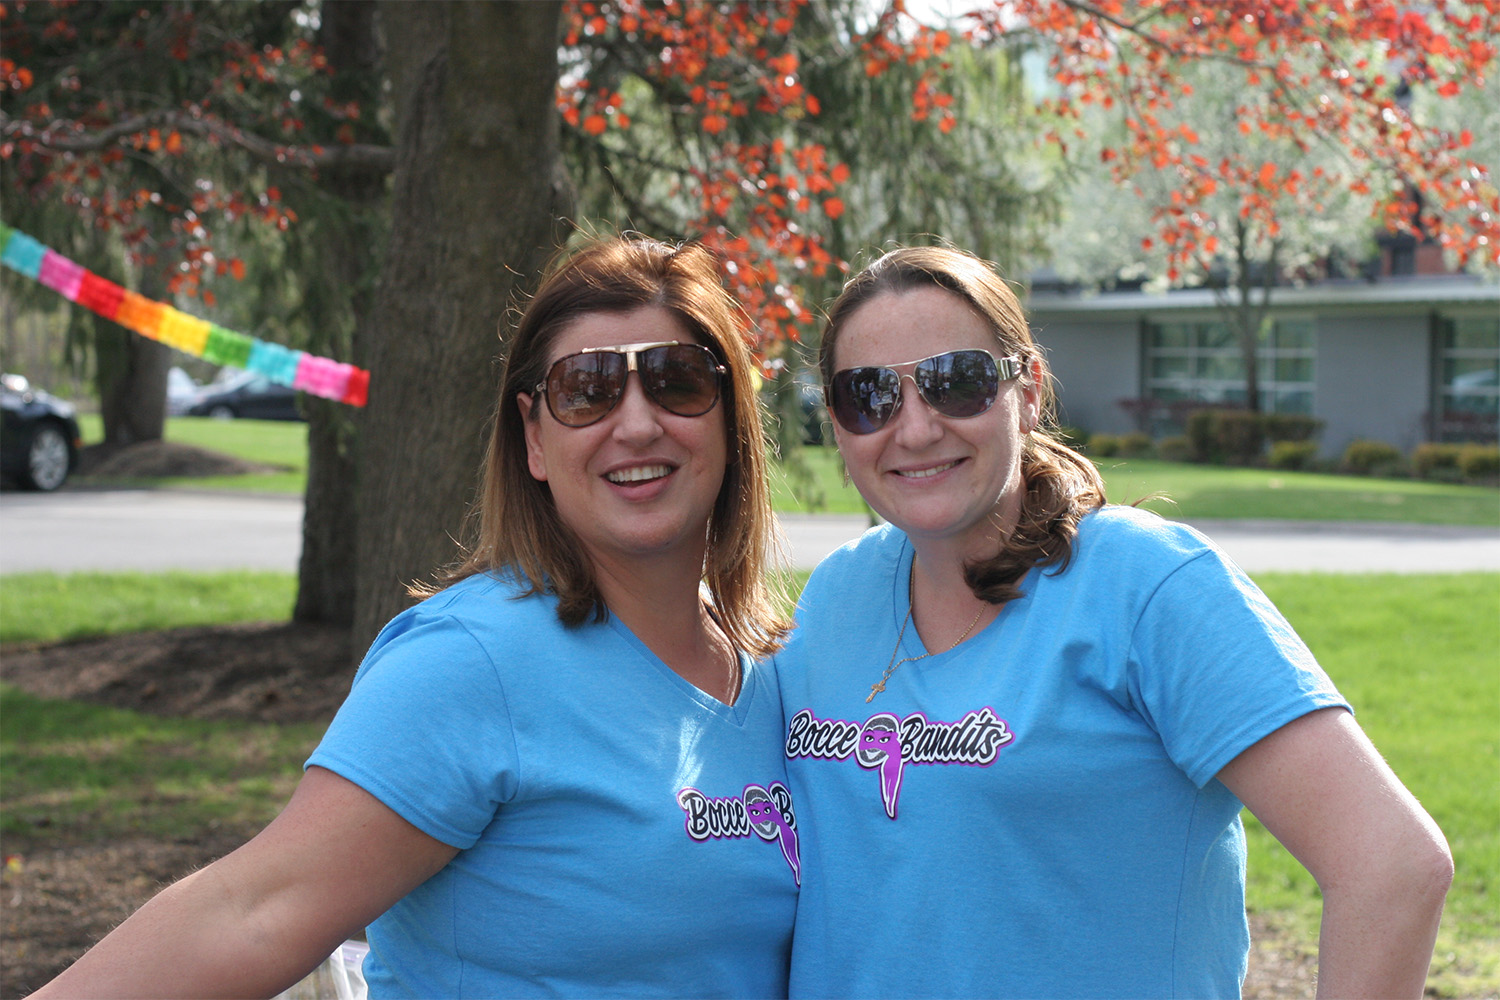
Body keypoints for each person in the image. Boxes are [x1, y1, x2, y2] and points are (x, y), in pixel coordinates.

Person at [35, 236, 800, 999]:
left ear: (730, 417)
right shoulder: (474, 661)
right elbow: (255, 911)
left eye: (677, 381)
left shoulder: (779, 672)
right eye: (588, 390)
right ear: (535, 437)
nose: (636, 424)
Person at [777, 245, 1453, 999]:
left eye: (956, 382)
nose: (914, 428)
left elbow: (1391, 863)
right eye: (869, 395)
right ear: (836, 422)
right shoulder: (836, 596)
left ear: (1027, 389)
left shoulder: (1141, 583)